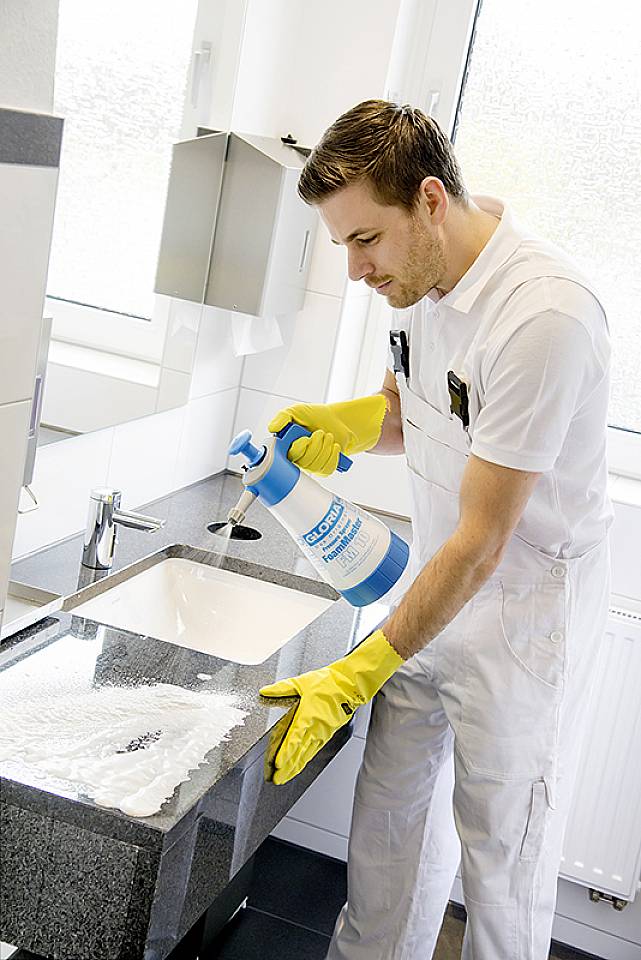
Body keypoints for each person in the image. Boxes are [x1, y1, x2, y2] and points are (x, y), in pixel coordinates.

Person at [259, 100, 613, 959]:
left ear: (427, 200)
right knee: (388, 840)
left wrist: (361, 668)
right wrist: (349, 424)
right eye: (341, 245)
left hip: (523, 617)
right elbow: (407, 408)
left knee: (501, 869)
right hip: (436, 585)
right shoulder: (415, 276)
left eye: (363, 241)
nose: (353, 270)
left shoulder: (543, 317)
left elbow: (485, 540)